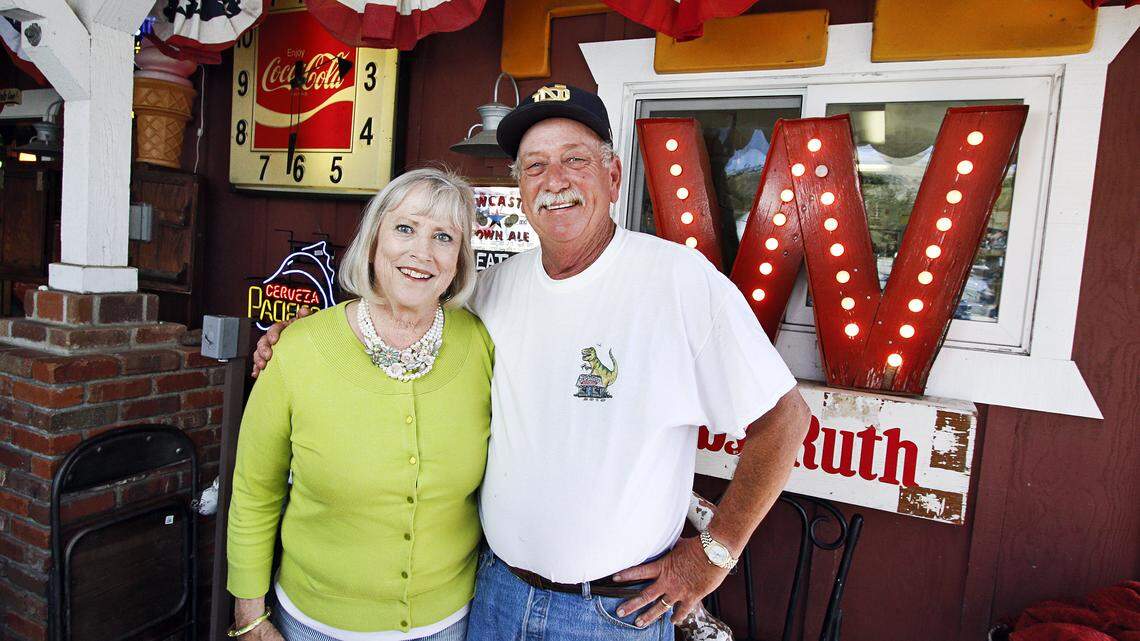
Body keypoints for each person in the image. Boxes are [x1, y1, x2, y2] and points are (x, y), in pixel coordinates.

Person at [254, 85, 811, 640]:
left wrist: (715, 553)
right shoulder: (491, 290)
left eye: (575, 160)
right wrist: (301, 337)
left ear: (614, 176)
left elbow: (785, 420)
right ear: (520, 187)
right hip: (494, 594)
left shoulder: (680, 282)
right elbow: (401, 316)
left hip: (612, 615)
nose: (555, 181)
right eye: (535, 166)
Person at [227, 168, 493, 641]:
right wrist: (249, 615)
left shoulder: (480, 345)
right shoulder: (299, 349)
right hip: (315, 624)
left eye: (443, 237)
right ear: (373, 242)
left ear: (458, 261)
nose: (422, 252)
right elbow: (254, 492)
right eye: (405, 228)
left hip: (448, 623)